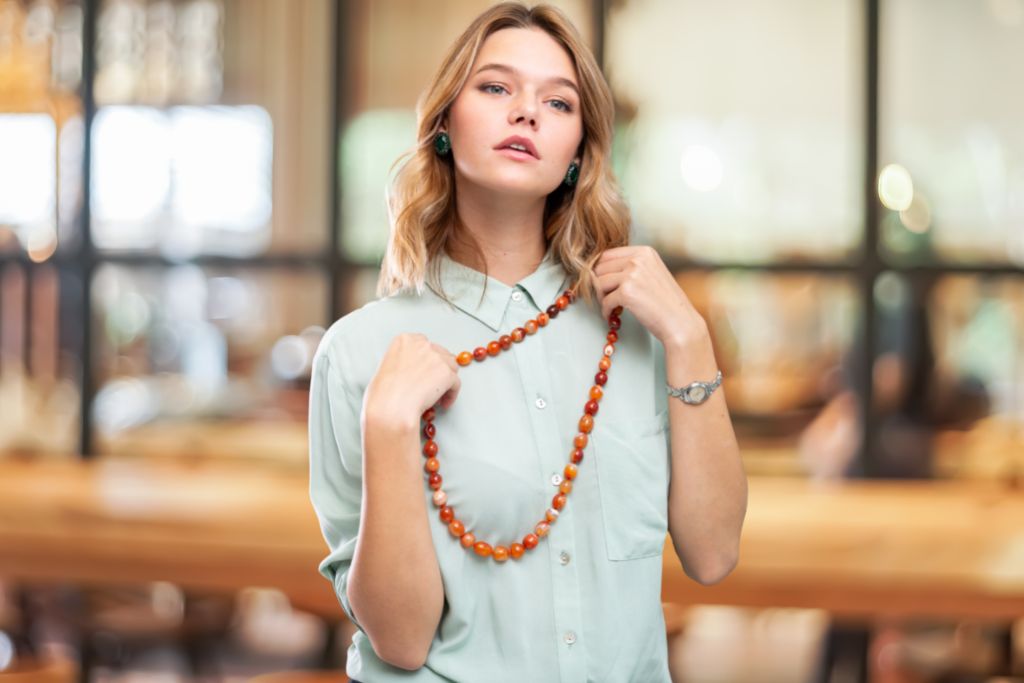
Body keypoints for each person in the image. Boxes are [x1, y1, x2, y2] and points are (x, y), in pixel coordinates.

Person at [308, 4, 747, 681]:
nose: (527, 113)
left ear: (578, 154)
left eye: (559, 101)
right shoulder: (358, 353)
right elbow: (399, 639)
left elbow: (714, 555)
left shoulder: (646, 335)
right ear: (445, 125)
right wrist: (389, 425)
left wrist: (690, 337)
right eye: (495, 87)